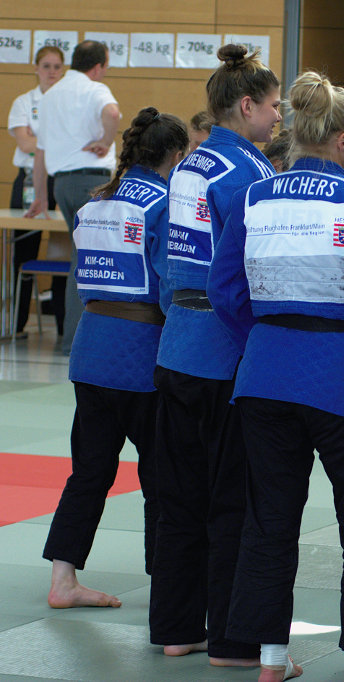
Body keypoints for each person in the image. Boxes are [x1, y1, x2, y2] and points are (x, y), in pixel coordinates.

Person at [209, 71, 344, 682]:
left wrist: (261, 340)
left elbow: (223, 291)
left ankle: (270, 662)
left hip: (264, 375)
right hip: (341, 377)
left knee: (269, 521)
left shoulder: (255, 198)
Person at [148, 44, 279, 668]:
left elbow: (164, 263)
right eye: (273, 106)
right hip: (226, 350)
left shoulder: (188, 166)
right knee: (233, 500)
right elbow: (252, 270)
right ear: (246, 105)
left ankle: (177, 629)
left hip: (177, 344)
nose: (277, 116)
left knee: (177, 498)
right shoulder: (250, 173)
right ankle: (232, 639)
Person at [41, 107, 186, 609]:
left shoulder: (94, 203)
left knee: (89, 471)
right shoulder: (163, 204)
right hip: (141, 355)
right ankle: (166, 585)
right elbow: (169, 288)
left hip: (91, 351)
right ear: (175, 155)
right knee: (161, 475)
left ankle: (63, 579)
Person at [25, 40, 120, 354]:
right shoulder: (94, 89)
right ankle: (80, 342)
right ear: (98, 67)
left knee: (79, 260)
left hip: (61, 186)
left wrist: (41, 195)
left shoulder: (50, 96)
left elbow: (40, 152)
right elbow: (113, 112)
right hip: (90, 182)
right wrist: (106, 140)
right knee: (91, 262)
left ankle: (73, 339)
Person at [7, 45, 64, 337]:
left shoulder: (68, 102)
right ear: (36, 68)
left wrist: (40, 141)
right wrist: (54, 143)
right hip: (29, 179)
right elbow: (25, 143)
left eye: (57, 66)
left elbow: (41, 143)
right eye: (46, 66)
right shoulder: (24, 102)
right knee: (24, 250)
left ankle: (63, 325)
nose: (51, 72)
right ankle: (16, 324)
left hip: (60, 178)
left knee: (64, 249)